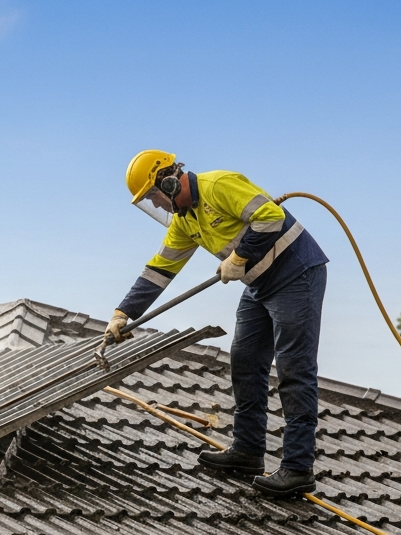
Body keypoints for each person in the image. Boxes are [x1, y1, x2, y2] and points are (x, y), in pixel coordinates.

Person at [109, 150, 328, 497]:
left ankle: (298, 468)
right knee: (244, 362)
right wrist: (123, 313)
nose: (157, 205)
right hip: (259, 283)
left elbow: (270, 216)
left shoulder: (217, 185)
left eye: (154, 196)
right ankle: (248, 451)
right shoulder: (185, 221)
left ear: (168, 181)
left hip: (295, 274)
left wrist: (240, 256)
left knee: (293, 370)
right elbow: (159, 270)